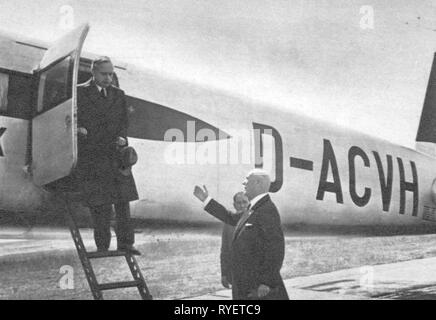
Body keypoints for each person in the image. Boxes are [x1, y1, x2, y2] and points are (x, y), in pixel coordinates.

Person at [75, 56, 140, 255]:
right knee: (100, 204)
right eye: (104, 74)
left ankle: (126, 244)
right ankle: (102, 245)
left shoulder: (118, 94)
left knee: (123, 203)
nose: (108, 77)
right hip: (94, 156)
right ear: (93, 72)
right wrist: (78, 129)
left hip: (116, 157)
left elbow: (123, 122)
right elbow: (71, 117)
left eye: (111, 73)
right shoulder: (79, 92)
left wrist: (122, 137)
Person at [193, 169, 289, 300]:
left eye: (247, 180)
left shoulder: (266, 210)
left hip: (258, 289)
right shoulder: (255, 208)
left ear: (258, 183)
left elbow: (275, 249)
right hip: (246, 285)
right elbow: (230, 217)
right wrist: (206, 200)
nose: (244, 183)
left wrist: (266, 282)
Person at [221, 192, 249, 289]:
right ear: (234, 205)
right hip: (235, 275)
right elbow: (224, 250)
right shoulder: (228, 223)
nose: (242, 206)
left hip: (252, 275)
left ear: (249, 203)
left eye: (245, 202)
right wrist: (224, 274)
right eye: (239, 203)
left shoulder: (255, 220)